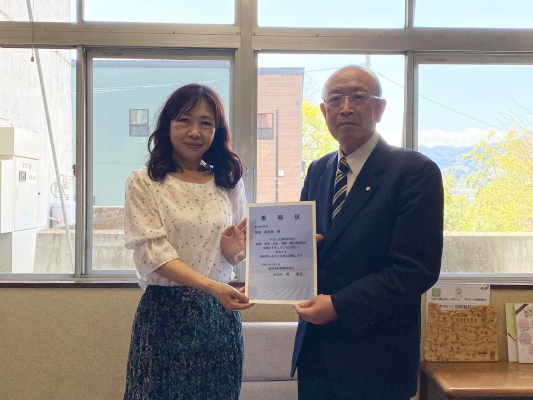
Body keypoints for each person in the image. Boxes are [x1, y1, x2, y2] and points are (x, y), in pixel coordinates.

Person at [290, 66, 444, 400]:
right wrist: (268, 268)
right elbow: (304, 244)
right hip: (316, 354)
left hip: (377, 360)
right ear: (324, 112)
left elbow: (415, 270)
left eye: (358, 97)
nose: (345, 108)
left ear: (379, 108)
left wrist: (339, 305)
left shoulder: (415, 171)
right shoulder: (318, 170)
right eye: (335, 99)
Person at [123, 83, 253, 400]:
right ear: (167, 126)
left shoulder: (228, 182)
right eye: (184, 120)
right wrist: (212, 287)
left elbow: (235, 252)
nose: (195, 132)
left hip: (218, 317)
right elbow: (153, 255)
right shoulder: (143, 182)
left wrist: (233, 253)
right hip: (163, 315)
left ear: (216, 131)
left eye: (206, 123)